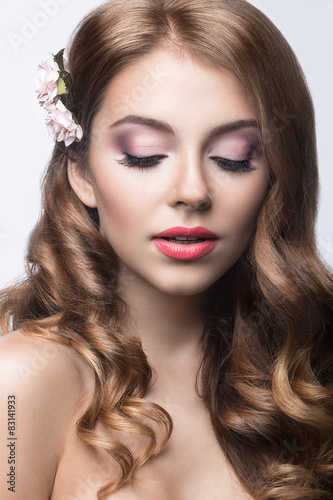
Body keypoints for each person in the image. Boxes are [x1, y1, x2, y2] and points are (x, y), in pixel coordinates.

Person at [0, 0, 332, 498]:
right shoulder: (21, 385)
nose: (193, 191)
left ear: (279, 174)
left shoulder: (309, 373)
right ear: (83, 172)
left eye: (234, 158)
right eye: (145, 155)